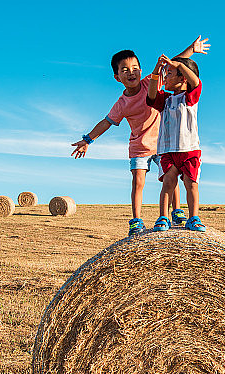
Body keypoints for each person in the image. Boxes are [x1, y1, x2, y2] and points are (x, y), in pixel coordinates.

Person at [70, 37, 210, 236]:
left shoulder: (150, 83)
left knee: (172, 179)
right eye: (124, 70)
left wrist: (192, 50)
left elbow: (174, 65)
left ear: (141, 70)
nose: (131, 72)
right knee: (138, 181)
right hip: (139, 146)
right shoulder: (122, 103)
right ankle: (136, 220)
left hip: (165, 144)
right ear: (117, 77)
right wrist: (87, 140)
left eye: (134, 67)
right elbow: (106, 122)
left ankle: (177, 211)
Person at [146, 54, 205, 232]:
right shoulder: (165, 100)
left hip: (189, 149)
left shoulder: (190, 97)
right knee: (168, 184)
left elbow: (196, 82)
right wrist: (156, 71)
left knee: (191, 184)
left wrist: (178, 63)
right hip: (167, 150)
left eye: (169, 73)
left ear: (183, 78)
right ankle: (163, 217)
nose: (166, 77)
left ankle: (194, 217)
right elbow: (150, 95)